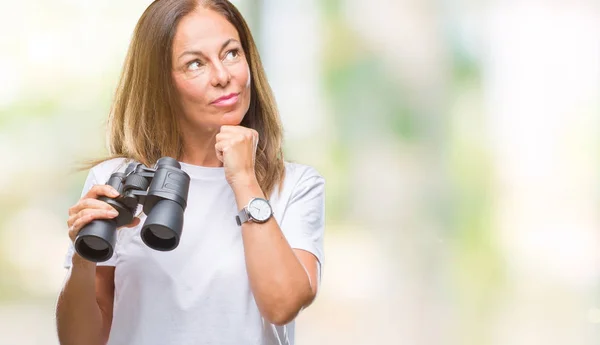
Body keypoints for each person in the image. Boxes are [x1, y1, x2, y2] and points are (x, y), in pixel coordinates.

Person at [55, 1, 325, 344]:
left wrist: (244, 179)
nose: (223, 76)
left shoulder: (296, 185)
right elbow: (80, 341)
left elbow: (282, 305)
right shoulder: (116, 179)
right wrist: (82, 259)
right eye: (195, 63)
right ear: (162, 83)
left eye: (231, 54)